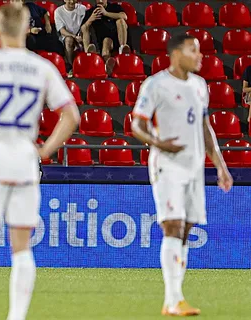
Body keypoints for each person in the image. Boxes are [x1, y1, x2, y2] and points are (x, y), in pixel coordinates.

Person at [0, 4, 79, 320]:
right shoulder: (42, 67)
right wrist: (45, 150)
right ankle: (17, 316)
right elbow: (71, 115)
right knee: (21, 246)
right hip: (23, 157)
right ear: (26, 26)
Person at [131, 34, 233, 316]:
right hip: (167, 164)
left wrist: (221, 166)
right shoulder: (157, 84)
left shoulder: (200, 86)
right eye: (193, 50)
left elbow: (205, 128)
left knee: (186, 230)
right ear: (176, 54)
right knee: (173, 226)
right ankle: (174, 299)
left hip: (194, 167)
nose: (200, 56)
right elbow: (137, 124)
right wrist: (159, 143)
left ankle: (173, 299)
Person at [80, 0, 130, 74]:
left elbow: (124, 16)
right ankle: (105, 65)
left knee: (121, 21)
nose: (100, 1)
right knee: (105, 41)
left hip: (117, 39)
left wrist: (106, 13)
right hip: (102, 41)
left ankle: (122, 48)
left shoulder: (115, 7)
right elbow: (82, 29)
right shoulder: (91, 12)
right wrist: (90, 19)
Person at [54, 0, 87, 76]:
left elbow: (86, 25)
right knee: (69, 40)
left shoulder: (83, 8)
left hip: (81, 35)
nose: (72, 1)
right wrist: (74, 37)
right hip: (67, 37)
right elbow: (62, 31)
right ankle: (71, 67)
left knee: (87, 36)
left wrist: (81, 36)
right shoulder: (58, 11)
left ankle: (88, 64)